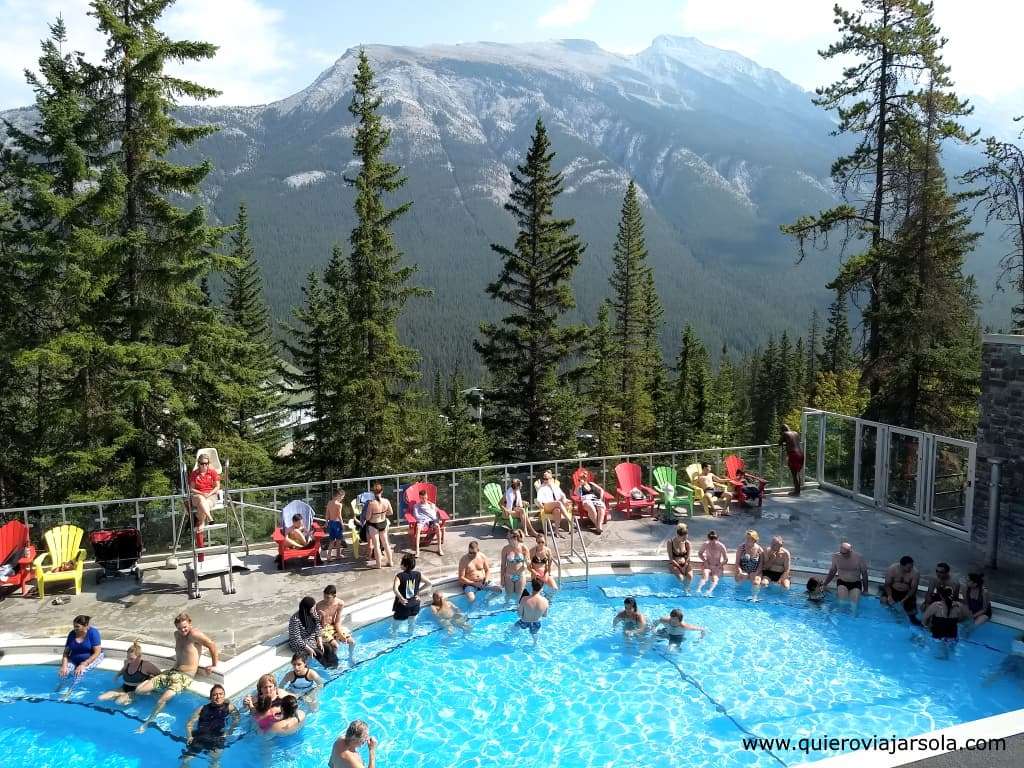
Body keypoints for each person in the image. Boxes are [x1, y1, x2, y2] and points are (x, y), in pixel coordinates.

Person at [134, 612, 218, 733]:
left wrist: (214, 665)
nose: (183, 630)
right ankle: (159, 691)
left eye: (185, 627)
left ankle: (147, 723)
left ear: (190, 623)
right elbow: (183, 651)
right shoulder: (177, 635)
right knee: (139, 690)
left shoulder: (194, 634)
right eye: (179, 628)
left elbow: (212, 644)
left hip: (184, 677)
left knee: (161, 701)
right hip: (171, 672)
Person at [183, 683, 239, 766]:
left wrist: (229, 732)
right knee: (186, 761)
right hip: (200, 736)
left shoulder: (230, 707)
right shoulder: (202, 708)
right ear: (210, 697)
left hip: (218, 737)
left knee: (214, 762)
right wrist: (189, 736)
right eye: (215, 695)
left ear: (224, 695)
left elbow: (237, 719)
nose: (218, 697)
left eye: (221, 694)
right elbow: (189, 724)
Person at [98, 640, 160, 705]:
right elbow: (123, 669)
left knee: (119, 702)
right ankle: (123, 695)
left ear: (139, 656)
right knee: (101, 698)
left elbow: (160, 674)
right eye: (127, 657)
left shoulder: (146, 665)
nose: (129, 660)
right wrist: (117, 675)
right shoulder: (127, 662)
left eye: (131, 658)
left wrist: (149, 683)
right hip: (124, 687)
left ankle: (132, 700)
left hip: (136, 690)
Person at [820, 541, 868, 612]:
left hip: (855, 583)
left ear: (850, 551)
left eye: (845, 553)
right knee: (842, 603)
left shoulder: (859, 558)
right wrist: (825, 584)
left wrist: (866, 590)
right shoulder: (836, 557)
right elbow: (832, 571)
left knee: (854, 606)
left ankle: (853, 620)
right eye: (841, 553)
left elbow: (864, 574)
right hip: (842, 582)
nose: (843, 555)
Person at [58, 615, 104, 689]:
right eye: (74, 626)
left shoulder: (93, 633)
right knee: (64, 673)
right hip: (74, 659)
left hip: (91, 658)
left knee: (79, 673)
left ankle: (71, 691)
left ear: (85, 626)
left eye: (77, 626)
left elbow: (97, 652)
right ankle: (60, 688)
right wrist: (64, 666)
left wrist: (84, 664)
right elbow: (66, 653)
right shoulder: (72, 634)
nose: (74, 628)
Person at [392, 553, 431, 635]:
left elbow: (395, 589)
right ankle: (410, 635)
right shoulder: (418, 574)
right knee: (411, 622)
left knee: (396, 624)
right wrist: (417, 592)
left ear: (404, 565)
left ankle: (394, 636)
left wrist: (401, 598)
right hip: (415, 604)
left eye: (401, 563)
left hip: (403, 605)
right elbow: (428, 583)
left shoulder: (399, 576)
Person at [289, 596, 334, 667]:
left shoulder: (313, 613)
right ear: (307, 608)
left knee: (328, 648)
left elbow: (318, 627)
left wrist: (319, 641)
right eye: (313, 607)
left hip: (311, 639)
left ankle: (333, 665)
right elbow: (296, 638)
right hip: (300, 644)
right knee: (318, 653)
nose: (314, 608)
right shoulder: (295, 619)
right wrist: (309, 649)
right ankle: (327, 668)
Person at [317, 584, 357, 664]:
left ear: (334, 596)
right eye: (324, 596)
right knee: (335, 645)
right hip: (323, 628)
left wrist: (340, 634)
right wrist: (323, 617)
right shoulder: (319, 605)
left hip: (333, 626)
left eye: (328, 597)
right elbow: (319, 625)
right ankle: (335, 662)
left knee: (352, 642)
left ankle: (350, 657)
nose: (325, 599)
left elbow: (337, 621)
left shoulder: (340, 603)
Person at [879, 556, 921, 624]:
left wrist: (904, 599)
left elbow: (913, 589)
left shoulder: (915, 573)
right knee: (883, 600)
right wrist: (889, 596)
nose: (911, 569)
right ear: (901, 565)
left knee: (912, 614)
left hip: (907, 593)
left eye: (912, 567)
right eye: (909, 567)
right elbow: (887, 585)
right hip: (893, 590)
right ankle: (892, 617)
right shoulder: (892, 569)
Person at [364, 482, 394, 569]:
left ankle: (378, 564)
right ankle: (390, 562)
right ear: (382, 491)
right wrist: (383, 513)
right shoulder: (386, 501)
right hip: (383, 523)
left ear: (373, 492)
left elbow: (367, 517)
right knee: (386, 544)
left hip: (374, 524)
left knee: (376, 545)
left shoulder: (371, 503)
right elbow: (391, 512)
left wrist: (372, 515)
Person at [189, 454, 221, 532]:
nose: (204, 465)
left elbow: (217, 487)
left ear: (208, 463)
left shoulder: (212, 472)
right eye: (202, 463)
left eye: (206, 463)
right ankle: (210, 517)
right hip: (198, 495)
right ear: (198, 463)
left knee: (202, 503)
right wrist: (202, 494)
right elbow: (191, 488)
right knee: (201, 498)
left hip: (211, 495)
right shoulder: (194, 473)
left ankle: (201, 522)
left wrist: (209, 494)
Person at [516, 578, 549, 646]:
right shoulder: (545, 601)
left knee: (514, 628)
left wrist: (518, 608)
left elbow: (519, 614)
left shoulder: (524, 599)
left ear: (531, 586)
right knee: (534, 634)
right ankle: (535, 643)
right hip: (536, 623)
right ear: (542, 588)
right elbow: (545, 615)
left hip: (524, 621)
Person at [536, 470, 570, 536]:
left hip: (555, 505)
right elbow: (539, 499)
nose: (545, 480)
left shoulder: (555, 486)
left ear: (551, 479)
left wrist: (565, 500)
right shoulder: (542, 487)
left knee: (557, 510)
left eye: (547, 479)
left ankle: (556, 531)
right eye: (544, 479)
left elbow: (562, 495)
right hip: (546, 506)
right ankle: (569, 521)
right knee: (558, 503)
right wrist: (540, 504)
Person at [412, 488, 444, 556]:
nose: (424, 499)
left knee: (438, 526)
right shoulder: (416, 506)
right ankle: (417, 550)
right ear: (419, 498)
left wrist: (432, 506)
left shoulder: (431, 505)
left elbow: (436, 511)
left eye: (425, 497)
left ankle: (439, 548)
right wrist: (423, 521)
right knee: (418, 528)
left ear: (427, 496)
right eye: (422, 498)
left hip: (432, 520)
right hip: (423, 521)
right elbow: (416, 515)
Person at [500, 529, 530, 600]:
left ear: (515, 538)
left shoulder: (524, 548)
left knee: (519, 597)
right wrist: (502, 579)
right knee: (508, 596)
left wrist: (526, 564)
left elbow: (528, 561)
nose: (507, 539)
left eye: (509, 538)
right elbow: (503, 565)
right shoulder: (505, 549)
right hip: (509, 575)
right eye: (507, 537)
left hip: (520, 575)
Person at [696, 530, 728, 596]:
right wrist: (705, 561)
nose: (712, 543)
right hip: (708, 565)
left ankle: (709, 591)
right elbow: (700, 553)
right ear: (708, 539)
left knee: (715, 578)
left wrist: (720, 565)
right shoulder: (706, 544)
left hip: (717, 566)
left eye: (714, 542)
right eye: (711, 541)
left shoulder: (721, 546)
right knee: (705, 576)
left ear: (717, 539)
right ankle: (698, 589)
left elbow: (726, 559)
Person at [734, 530, 765, 600]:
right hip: (743, 570)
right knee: (743, 576)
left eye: (749, 539)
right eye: (746, 538)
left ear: (754, 540)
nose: (747, 540)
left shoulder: (760, 550)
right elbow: (737, 563)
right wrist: (740, 571)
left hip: (755, 570)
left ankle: (754, 597)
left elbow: (760, 565)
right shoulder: (741, 547)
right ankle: (739, 595)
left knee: (756, 582)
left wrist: (755, 573)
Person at [324, 488, 347, 562]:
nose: (342, 499)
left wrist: (326, 522)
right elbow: (339, 515)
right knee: (339, 540)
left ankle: (328, 556)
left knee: (331, 541)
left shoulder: (329, 503)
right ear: (338, 495)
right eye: (342, 497)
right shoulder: (339, 505)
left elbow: (327, 513)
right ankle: (337, 555)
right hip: (337, 523)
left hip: (330, 523)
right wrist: (342, 524)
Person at [666, 524, 692, 591]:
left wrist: (685, 566)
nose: (684, 539)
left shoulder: (687, 543)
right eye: (683, 538)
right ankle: (685, 591)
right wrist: (680, 568)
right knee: (681, 578)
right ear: (678, 535)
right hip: (674, 564)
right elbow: (671, 558)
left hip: (685, 564)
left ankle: (686, 590)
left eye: (686, 537)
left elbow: (688, 557)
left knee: (690, 576)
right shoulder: (670, 542)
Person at [780, 424, 803, 496]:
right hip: (801, 454)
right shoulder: (795, 433)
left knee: (794, 474)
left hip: (793, 454)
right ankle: (797, 490)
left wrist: (783, 440)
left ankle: (797, 492)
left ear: (782, 430)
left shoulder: (785, 433)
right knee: (797, 472)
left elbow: (779, 443)